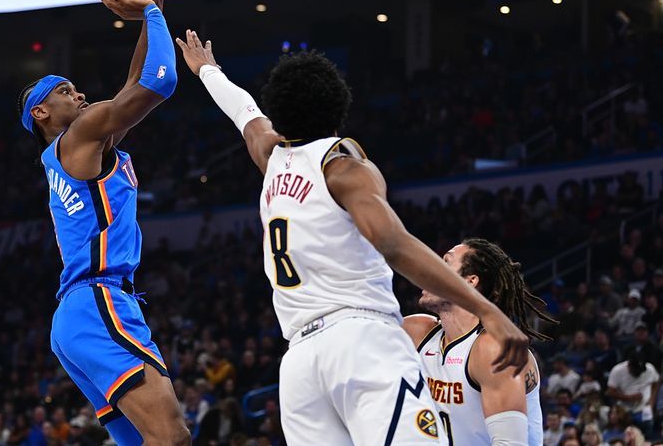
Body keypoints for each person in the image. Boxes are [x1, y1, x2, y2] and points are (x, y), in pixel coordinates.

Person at [176, 31, 528, 445]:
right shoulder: (343, 167)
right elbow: (394, 244)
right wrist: (487, 310)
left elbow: (244, 111)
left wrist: (207, 71)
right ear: (338, 105)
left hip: (300, 365)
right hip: (362, 342)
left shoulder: (269, 156)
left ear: (280, 108)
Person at [17, 0, 187, 446]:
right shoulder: (79, 135)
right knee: (173, 436)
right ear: (42, 112)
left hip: (79, 312)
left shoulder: (78, 146)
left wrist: (150, 2)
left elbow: (133, 84)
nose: (82, 92)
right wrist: (154, 16)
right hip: (97, 301)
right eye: (67, 91)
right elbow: (160, 81)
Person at [402, 239, 553, 445]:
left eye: (445, 263)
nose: (430, 269)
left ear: (470, 281)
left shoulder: (492, 350)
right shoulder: (417, 333)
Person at [607, 347, 660, 436]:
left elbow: (656, 382)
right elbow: (610, 392)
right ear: (629, 365)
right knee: (626, 435)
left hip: (643, 408)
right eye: (636, 371)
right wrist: (629, 398)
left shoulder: (650, 369)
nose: (638, 373)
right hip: (624, 409)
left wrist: (651, 401)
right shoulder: (617, 371)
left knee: (648, 427)